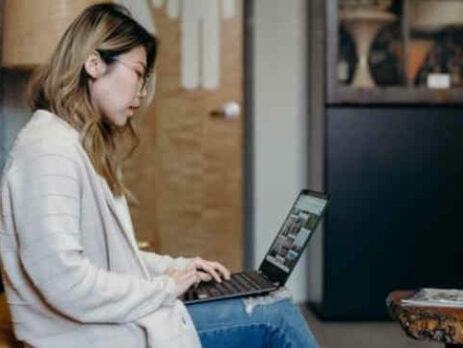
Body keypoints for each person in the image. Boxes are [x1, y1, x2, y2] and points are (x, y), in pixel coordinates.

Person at [0, 3, 319, 347]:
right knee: (275, 314)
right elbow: (66, 282)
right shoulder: (48, 150)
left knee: (271, 298)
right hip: (88, 336)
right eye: (138, 72)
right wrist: (166, 287)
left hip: (105, 323)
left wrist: (178, 268)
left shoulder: (72, 144)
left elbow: (108, 261)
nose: (141, 92)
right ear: (93, 63)